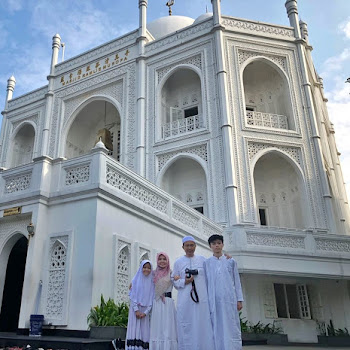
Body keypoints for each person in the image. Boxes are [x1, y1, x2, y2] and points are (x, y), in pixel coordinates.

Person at [171, 236, 215, 350]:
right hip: (185, 300)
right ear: (183, 247)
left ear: (195, 246)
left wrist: (227, 258)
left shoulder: (203, 260)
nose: (189, 248)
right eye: (187, 245)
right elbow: (174, 281)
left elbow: (211, 275)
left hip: (202, 300)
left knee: (202, 325)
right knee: (186, 325)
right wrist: (184, 281)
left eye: (192, 245)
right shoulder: (178, 262)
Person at [204, 234, 244, 350]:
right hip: (214, 300)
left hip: (229, 300)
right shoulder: (207, 263)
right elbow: (206, 283)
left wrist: (239, 299)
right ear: (210, 246)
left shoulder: (230, 261)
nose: (216, 246)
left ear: (222, 244)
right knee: (216, 325)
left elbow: (236, 281)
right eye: (214, 244)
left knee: (231, 325)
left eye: (219, 243)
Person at [149, 252, 177, 350]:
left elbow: (178, 284)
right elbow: (143, 280)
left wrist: (179, 279)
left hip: (168, 303)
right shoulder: (153, 273)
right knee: (157, 328)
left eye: (164, 259)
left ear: (168, 261)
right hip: (157, 303)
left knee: (168, 328)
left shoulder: (171, 273)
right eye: (160, 259)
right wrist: (133, 284)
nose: (162, 261)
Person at [125, 260, 154, 350]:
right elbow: (133, 296)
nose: (147, 270)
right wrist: (136, 310)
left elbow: (151, 299)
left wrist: (145, 312)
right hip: (135, 311)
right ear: (141, 268)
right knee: (134, 329)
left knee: (144, 331)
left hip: (145, 312)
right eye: (144, 267)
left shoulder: (152, 283)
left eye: (149, 268)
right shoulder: (135, 280)